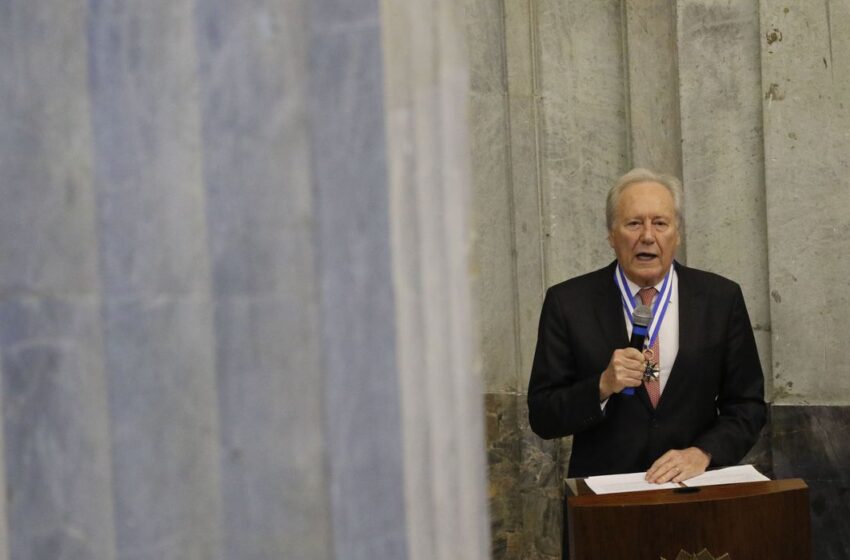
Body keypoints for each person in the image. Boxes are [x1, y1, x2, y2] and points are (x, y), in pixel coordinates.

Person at [527, 168, 766, 484]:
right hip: (606, 503)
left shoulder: (720, 299)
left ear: (676, 234)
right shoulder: (568, 303)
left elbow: (748, 406)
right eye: (634, 223)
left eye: (660, 223)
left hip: (695, 498)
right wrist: (601, 386)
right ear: (612, 235)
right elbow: (543, 415)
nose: (648, 236)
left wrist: (703, 453)